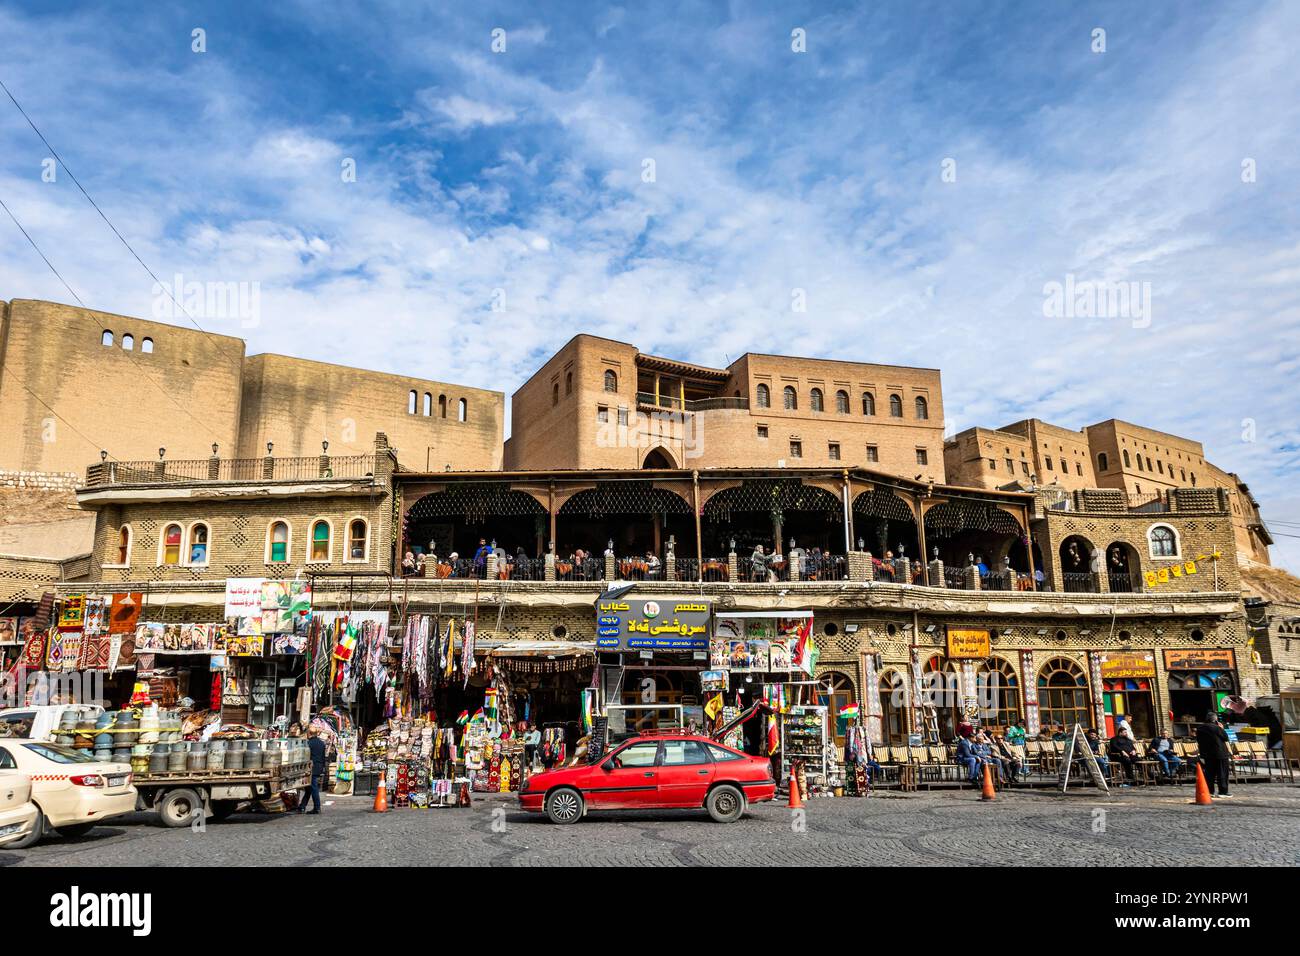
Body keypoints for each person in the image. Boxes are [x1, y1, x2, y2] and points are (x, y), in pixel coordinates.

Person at [1195, 711, 1232, 797]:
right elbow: (1225, 738)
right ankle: (1223, 792)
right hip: (1220, 753)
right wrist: (1222, 728)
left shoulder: (1200, 728)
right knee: (1222, 773)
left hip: (1207, 754)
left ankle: (1209, 791)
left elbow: (1199, 741)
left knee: (1209, 774)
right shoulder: (1217, 728)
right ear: (1215, 720)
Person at [301, 727, 327, 814]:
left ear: (309, 733)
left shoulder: (309, 744)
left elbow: (305, 757)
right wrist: (323, 768)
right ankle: (302, 806)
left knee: (313, 787)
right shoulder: (321, 743)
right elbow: (323, 757)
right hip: (318, 767)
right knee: (309, 788)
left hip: (311, 767)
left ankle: (317, 807)